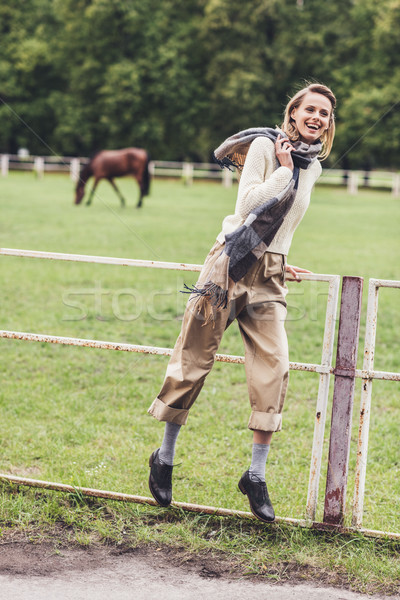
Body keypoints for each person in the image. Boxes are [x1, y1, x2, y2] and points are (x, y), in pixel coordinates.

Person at [147, 83, 336, 522]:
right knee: (194, 358)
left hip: (269, 273)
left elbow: (282, 222)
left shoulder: (315, 168)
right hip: (228, 264)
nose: (317, 118)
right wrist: (284, 168)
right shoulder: (265, 149)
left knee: (276, 366)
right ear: (293, 113)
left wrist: (280, 259)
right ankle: (165, 457)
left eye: (325, 114)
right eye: (310, 109)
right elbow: (249, 201)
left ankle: (255, 475)